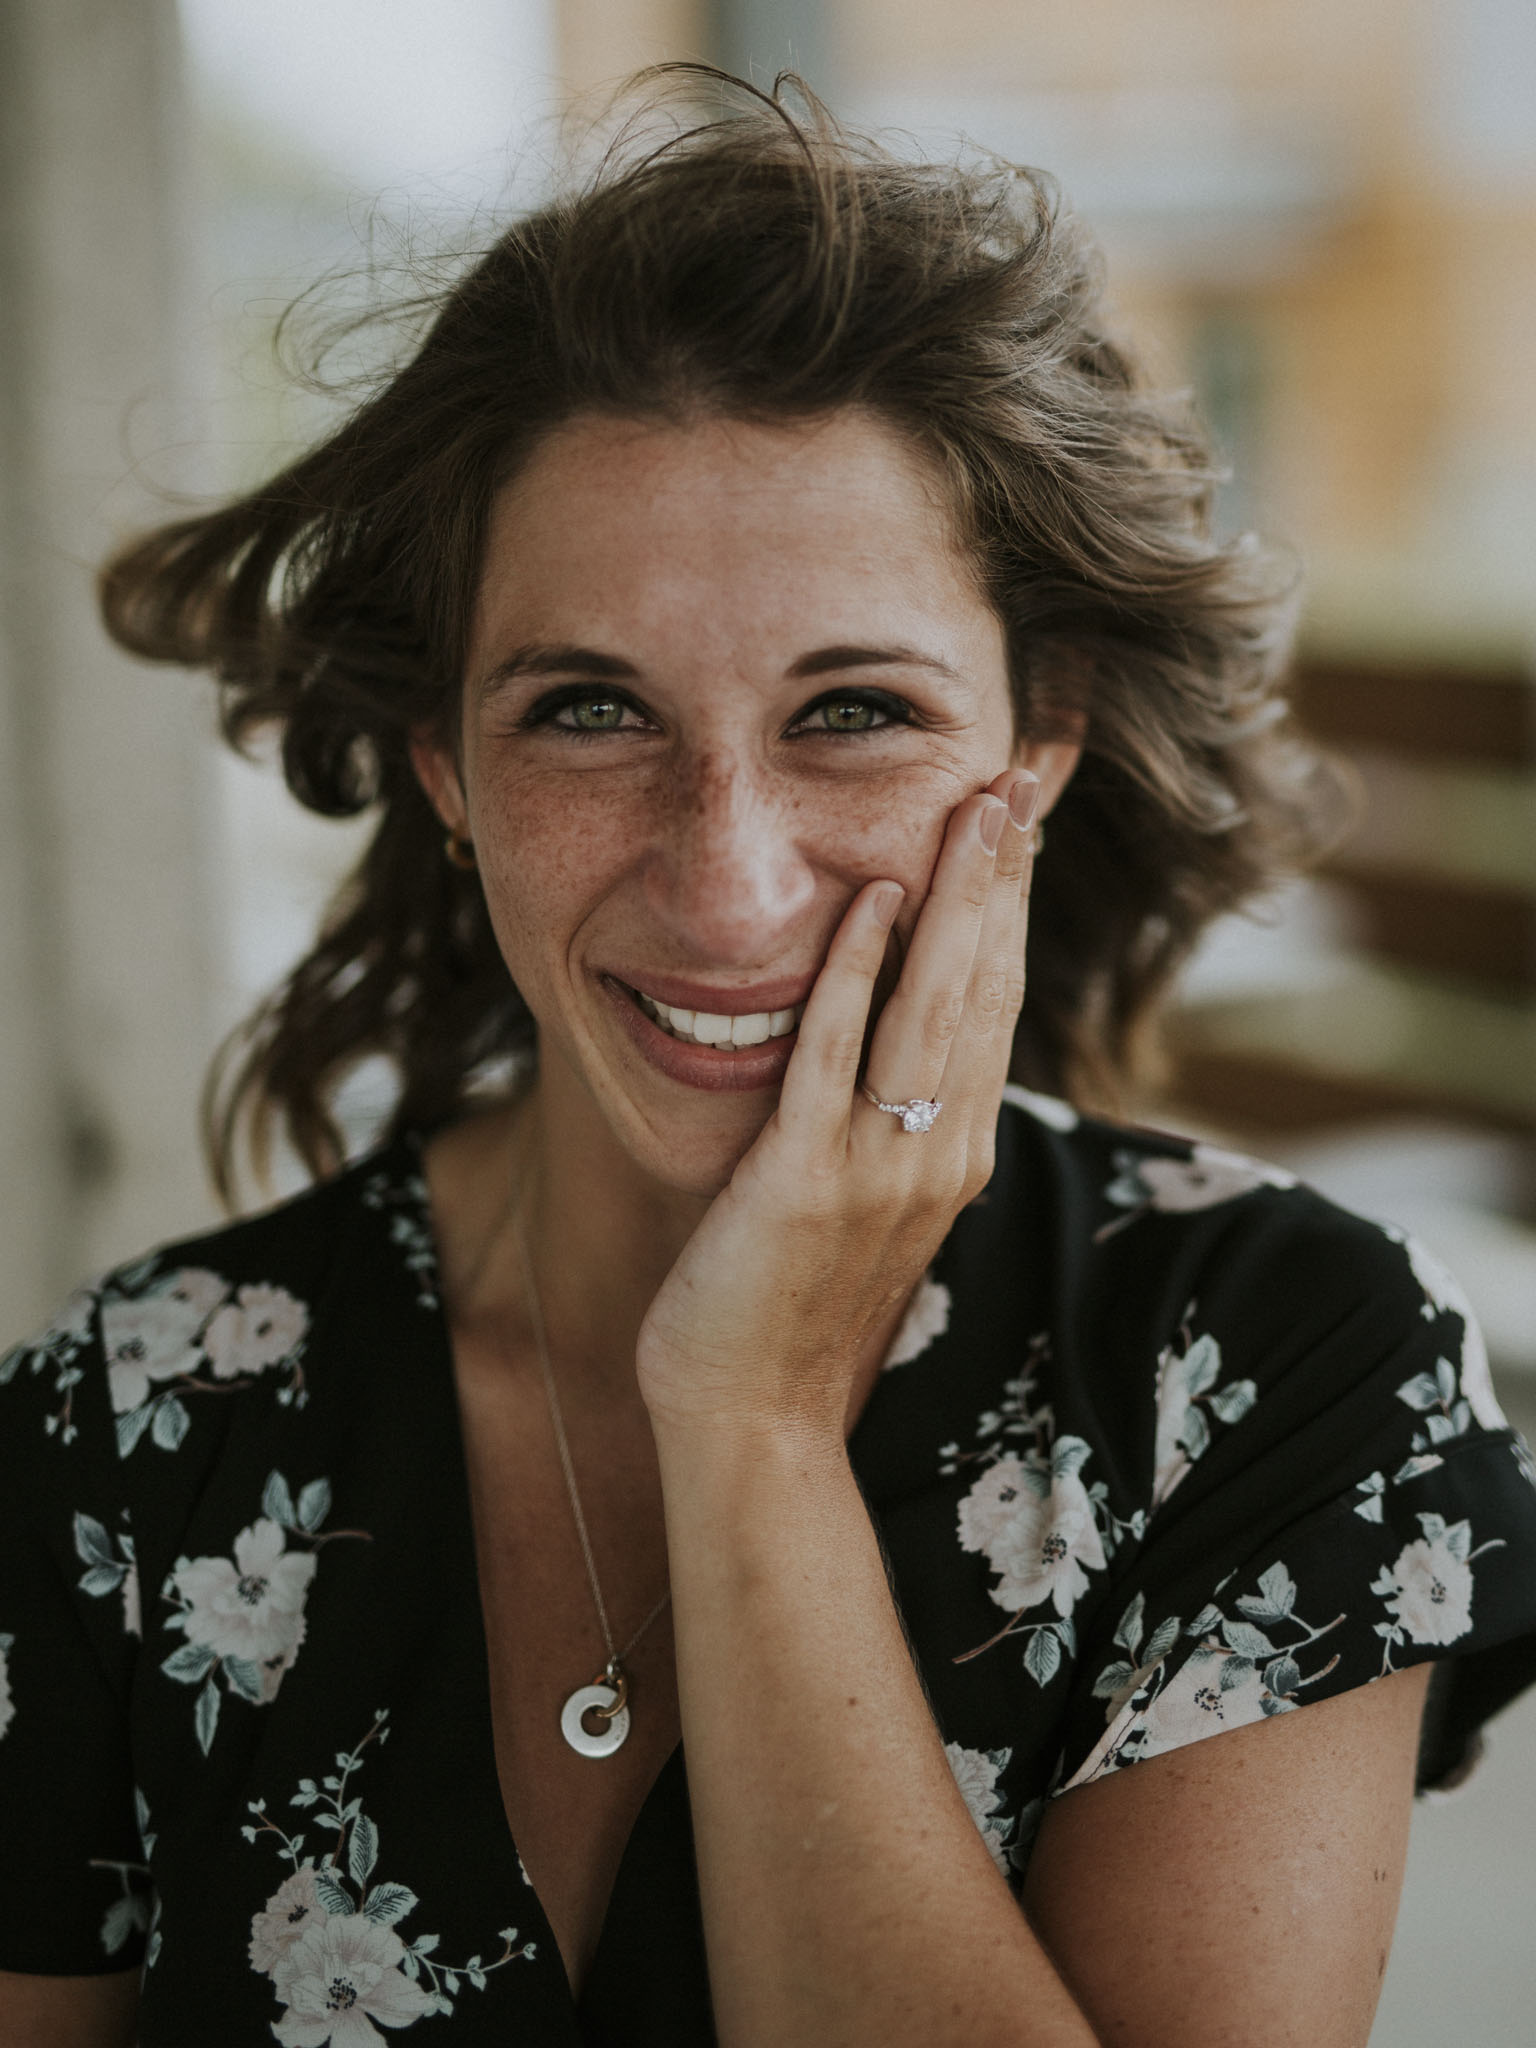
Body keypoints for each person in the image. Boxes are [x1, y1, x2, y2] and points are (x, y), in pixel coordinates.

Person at [2, 65, 1533, 2048]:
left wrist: (750, 1424)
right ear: (443, 766)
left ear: (1037, 734)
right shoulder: (121, 1438)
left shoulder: (1280, 1367)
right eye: (584, 711)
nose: (728, 889)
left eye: (854, 711)